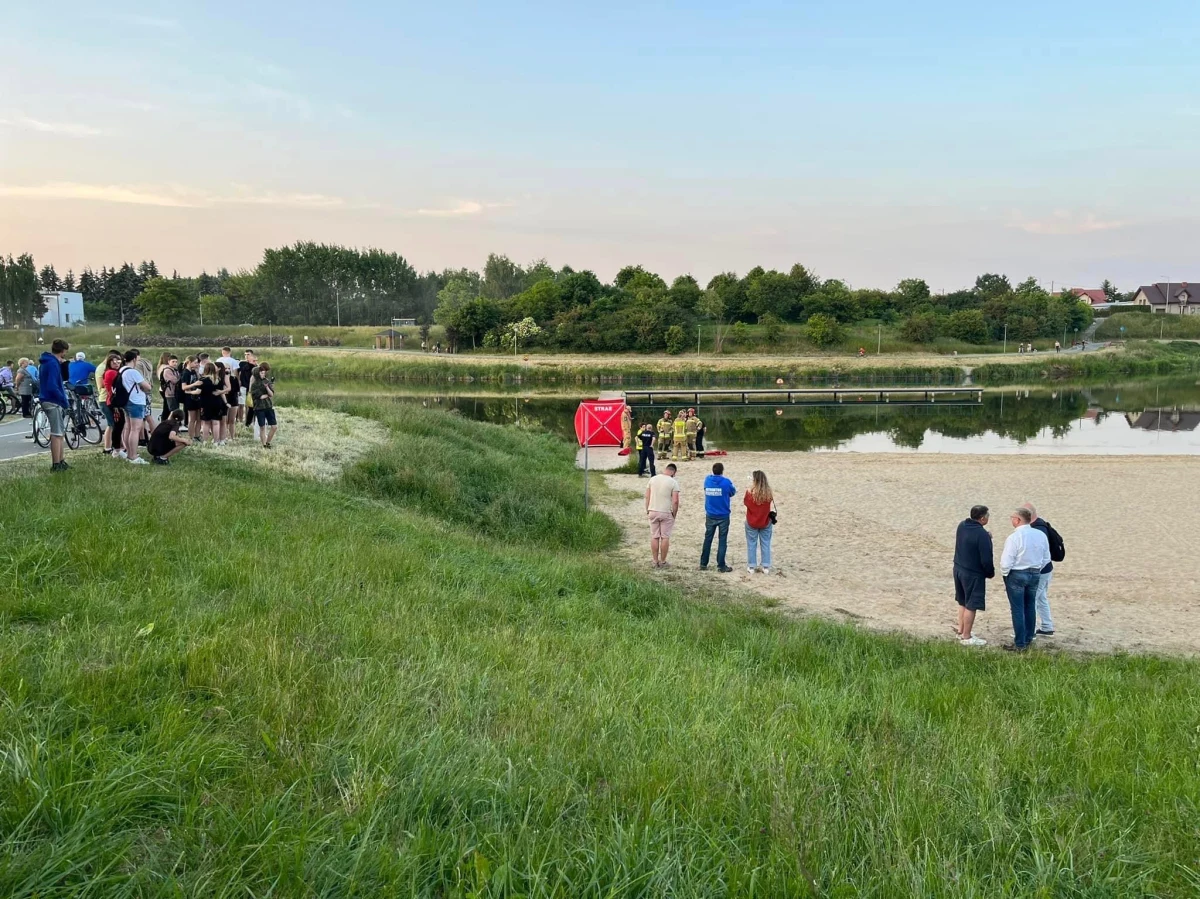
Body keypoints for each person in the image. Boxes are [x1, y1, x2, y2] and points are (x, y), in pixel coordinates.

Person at [1000, 507, 1051, 652]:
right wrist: (1037, 569)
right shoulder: (1040, 535)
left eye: (1012, 517)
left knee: (1017, 609)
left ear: (1018, 520)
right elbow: (1047, 557)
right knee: (1030, 606)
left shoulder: (1014, 537)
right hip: (1035, 573)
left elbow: (1006, 561)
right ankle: (1028, 638)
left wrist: (1006, 574)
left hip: (1017, 573)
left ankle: (1020, 643)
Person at [953, 505, 995, 647]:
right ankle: (967, 636)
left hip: (959, 568)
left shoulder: (962, 525)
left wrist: (985, 537)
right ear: (982, 518)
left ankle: (961, 631)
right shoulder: (982, 535)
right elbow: (986, 559)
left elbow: (969, 539)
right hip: (973, 574)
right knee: (971, 604)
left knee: (962, 601)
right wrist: (990, 573)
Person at [1022, 502, 1064, 638]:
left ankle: (1030, 631)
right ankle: (1047, 626)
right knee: (1041, 598)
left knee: (1032, 599)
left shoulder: (1038, 529)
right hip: (1046, 570)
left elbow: (1038, 553)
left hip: (1041, 571)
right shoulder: (1041, 525)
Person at [38, 339, 72, 472]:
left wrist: (65, 365)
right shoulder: (52, 363)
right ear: (63, 351)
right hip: (53, 400)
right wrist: (63, 400)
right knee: (57, 434)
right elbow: (53, 385)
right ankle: (56, 463)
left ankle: (61, 460)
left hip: (47, 398)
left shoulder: (47, 362)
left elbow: (63, 377)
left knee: (60, 432)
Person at [117, 349, 153, 464]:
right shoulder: (133, 372)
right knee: (135, 429)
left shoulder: (121, 370)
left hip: (126, 401)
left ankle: (129, 452)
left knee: (128, 428)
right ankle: (133, 456)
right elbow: (147, 387)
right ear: (134, 359)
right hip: (136, 401)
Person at [700, 461, 736, 572]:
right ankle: (721, 565)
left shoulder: (707, 480)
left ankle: (703, 563)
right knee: (722, 540)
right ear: (722, 471)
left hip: (710, 514)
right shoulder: (726, 482)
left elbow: (705, 489)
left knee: (708, 539)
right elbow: (732, 492)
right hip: (723, 515)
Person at [645, 462, 680, 568]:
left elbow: (647, 496)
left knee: (655, 536)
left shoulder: (652, 479)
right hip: (665, 512)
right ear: (673, 472)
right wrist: (674, 513)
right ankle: (663, 561)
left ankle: (655, 561)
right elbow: (675, 501)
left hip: (653, 510)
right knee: (665, 537)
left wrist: (647, 509)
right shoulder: (673, 482)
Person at [744, 470, 774, 574]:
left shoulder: (750, 493)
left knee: (751, 543)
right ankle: (766, 566)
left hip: (752, 521)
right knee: (765, 543)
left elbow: (746, 503)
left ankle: (751, 566)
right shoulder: (768, 493)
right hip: (765, 520)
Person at [97, 353, 121, 454]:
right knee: (112, 424)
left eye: (118, 361)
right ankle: (110, 447)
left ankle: (109, 447)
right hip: (106, 399)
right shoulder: (110, 372)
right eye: (113, 361)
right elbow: (104, 386)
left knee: (111, 424)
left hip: (106, 399)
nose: (116, 363)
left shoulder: (106, 371)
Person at [249, 361, 277, 448]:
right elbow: (259, 396)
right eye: (262, 373)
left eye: (264, 372)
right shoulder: (254, 385)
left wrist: (267, 387)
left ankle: (268, 442)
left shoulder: (267, 381)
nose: (264, 374)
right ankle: (264, 444)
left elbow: (271, 394)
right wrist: (266, 395)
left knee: (274, 426)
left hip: (268, 406)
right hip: (259, 407)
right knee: (262, 427)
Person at [179, 356, 201, 437]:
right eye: (195, 362)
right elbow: (184, 387)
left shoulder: (193, 371)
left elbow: (199, 380)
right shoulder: (185, 373)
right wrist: (194, 385)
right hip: (190, 398)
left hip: (197, 397)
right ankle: (191, 436)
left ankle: (197, 435)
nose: (196, 364)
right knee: (192, 419)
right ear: (189, 362)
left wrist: (197, 372)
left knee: (199, 418)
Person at [157, 353, 180, 422]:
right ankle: (168, 423)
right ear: (168, 360)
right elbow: (175, 380)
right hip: (169, 392)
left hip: (170, 391)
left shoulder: (173, 369)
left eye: (176, 362)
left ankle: (167, 422)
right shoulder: (167, 369)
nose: (175, 363)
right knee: (172, 409)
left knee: (169, 408)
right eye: (173, 361)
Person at [239, 350, 257, 428]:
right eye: (245, 354)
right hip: (243, 386)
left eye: (248, 354)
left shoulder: (255, 365)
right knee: (244, 405)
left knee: (251, 405)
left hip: (251, 387)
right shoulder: (242, 364)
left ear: (252, 355)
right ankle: (244, 421)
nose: (246, 356)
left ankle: (251, 421)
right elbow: (238, 373)